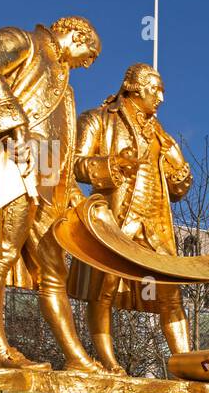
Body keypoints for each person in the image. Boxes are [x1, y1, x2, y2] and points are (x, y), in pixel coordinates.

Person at [0, 16, 104, 372]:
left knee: (54, 272)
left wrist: (69, 189)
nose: (86, 62)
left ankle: (76, 357)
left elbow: (64, 145)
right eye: (88, 53)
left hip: (50, 183)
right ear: (75, 33)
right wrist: (14, 124)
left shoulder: (66, 89)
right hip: (10, 166)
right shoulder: (22, 40)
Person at [69, 64, 193, 374]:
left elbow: (178, 190)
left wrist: (178, 164)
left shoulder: (160, 134)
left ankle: (187, 364)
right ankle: (108, 361)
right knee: (104, 288)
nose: (161, 97)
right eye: (156, 89)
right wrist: (111, 164)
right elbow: (74, 164)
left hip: (156, 224)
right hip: (116, 218)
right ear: (135, 88)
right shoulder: (97, 119)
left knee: (170, 293)